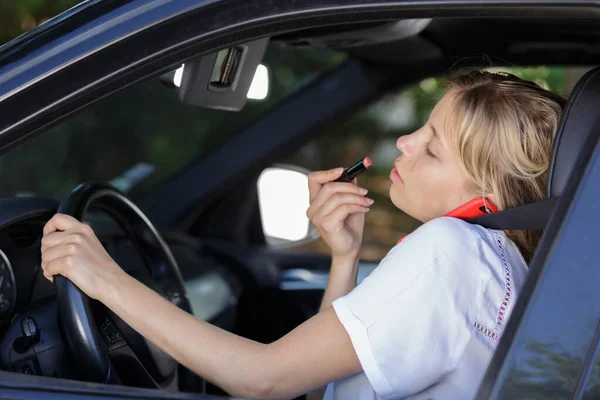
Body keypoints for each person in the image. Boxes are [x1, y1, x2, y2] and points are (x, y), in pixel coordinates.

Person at [39, 70, 565, 399]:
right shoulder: (503, 269)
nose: (404, 141)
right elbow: (319, 390)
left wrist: (105, 278)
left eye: (431, 148)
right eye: (420, 128)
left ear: (488, 196)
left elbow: (262, 380)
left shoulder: (447, 252)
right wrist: (344, 257)